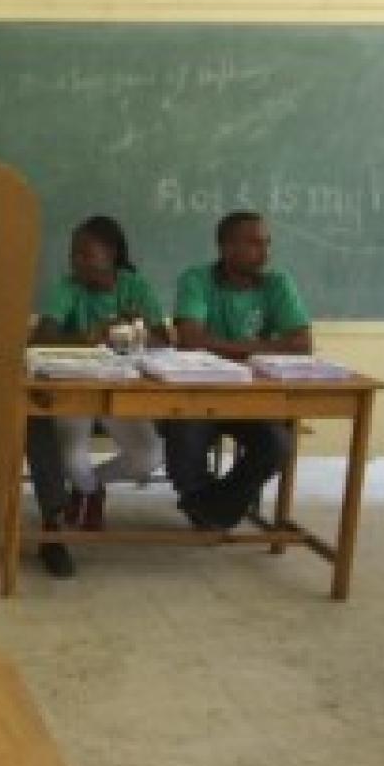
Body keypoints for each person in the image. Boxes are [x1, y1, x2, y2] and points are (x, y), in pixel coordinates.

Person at [27, 216, 167, 576]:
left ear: (112, 254)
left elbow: (165, 341)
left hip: (123, 389)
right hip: (77, 390)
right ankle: (81, 491)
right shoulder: (68, 288)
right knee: (73, 458)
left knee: (149, 456)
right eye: (74, 254)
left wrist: (138, 333)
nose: (77, 261)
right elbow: (40, 339)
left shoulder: (136, 287)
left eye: (86, 254)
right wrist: (88, 338)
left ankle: (88, 490)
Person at [165, 211, 313, 530]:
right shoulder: (197, 279)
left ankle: (212, 508)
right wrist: (257, 348)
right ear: (227, 248)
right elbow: (190, 341)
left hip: (254, 398)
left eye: (267, 244)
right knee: (184, 433)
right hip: (199, 395)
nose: (265, 252)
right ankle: (202, 500)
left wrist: (218, 345)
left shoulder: (278, 283)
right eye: (254, 244)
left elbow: (302, 344)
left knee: (278, 444)